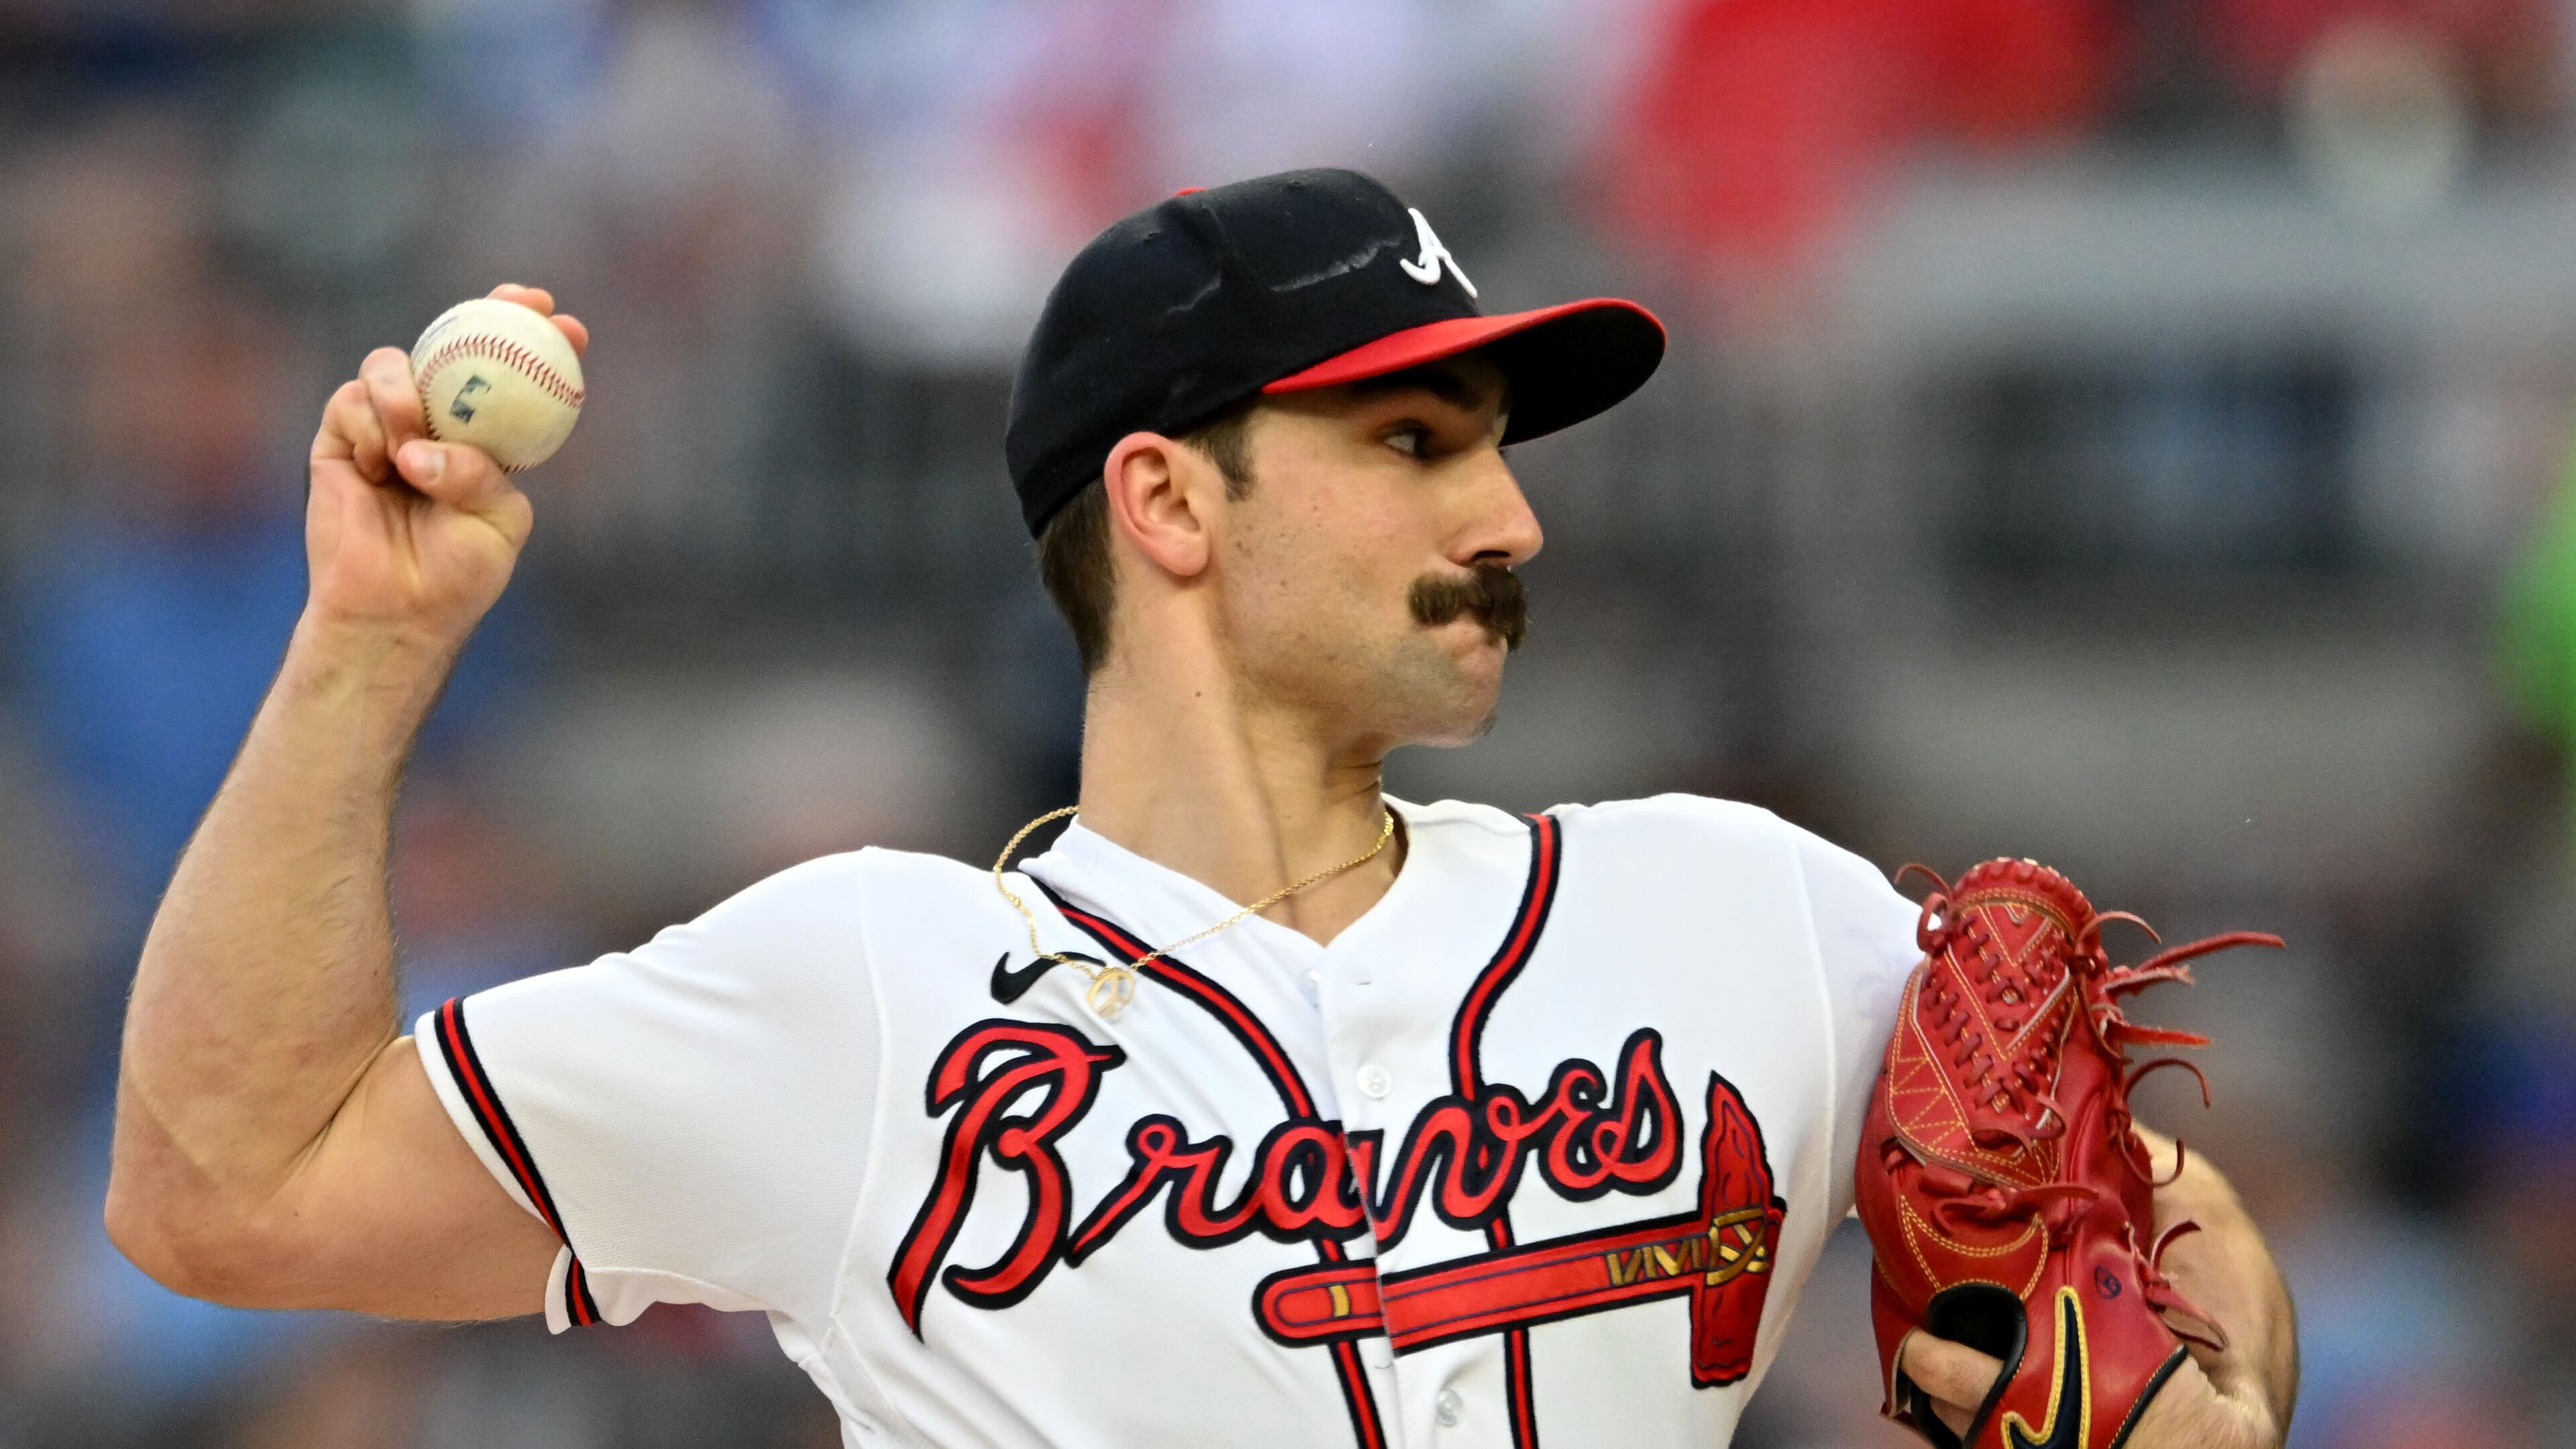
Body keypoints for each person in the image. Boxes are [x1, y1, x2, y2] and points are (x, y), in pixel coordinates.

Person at [105, 170, 2294, 1447]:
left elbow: (2161, 1217)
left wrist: (2201, 1393)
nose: (1514, 515)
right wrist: (366, 655)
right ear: (1163, 498)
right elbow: (227, 1191)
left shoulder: (1735, 916)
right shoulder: (866, 996)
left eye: (1502, 446)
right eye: (1417, 446)